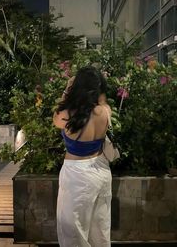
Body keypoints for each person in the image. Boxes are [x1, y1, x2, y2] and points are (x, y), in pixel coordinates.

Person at [53, 66, 112, 247]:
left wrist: (67, 89)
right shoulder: (105, 111)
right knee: (100, 229)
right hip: (101, 172)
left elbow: (56, 117)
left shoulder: (67, 115)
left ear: (77, 87)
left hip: (76, 176)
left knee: (72, 232)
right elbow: (101, 100)